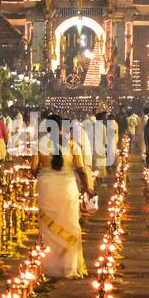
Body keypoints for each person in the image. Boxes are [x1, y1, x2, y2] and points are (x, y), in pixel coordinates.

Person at [34, 114, 95, 278]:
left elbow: (33, 169)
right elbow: (81, 170)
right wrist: (87, 188)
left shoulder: (39, 144)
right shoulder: (72, 144)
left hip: (47, 188)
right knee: (70, 226)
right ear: (61, 127)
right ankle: (69, 267)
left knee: (48, 229)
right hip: (67, 189)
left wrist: (44, 172)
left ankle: (49, 268)